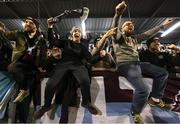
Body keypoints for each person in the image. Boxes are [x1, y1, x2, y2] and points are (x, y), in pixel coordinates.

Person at [101, 1, 173, 123]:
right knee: (143, 90)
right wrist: (118, 14)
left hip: (137, 63)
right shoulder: (118, 38)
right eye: (127, 24)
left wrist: (162, 25)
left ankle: (155, 99)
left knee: (163, 73)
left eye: (132, 25)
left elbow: (148, 33)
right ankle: (135, 112)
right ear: (122, 28)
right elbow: (114, 28)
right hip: (125, 65)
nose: (130, 26)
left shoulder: (135, 39)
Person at [34, 24, 107, 119]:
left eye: (79, 31)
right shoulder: (66, 42)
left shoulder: (83, 47)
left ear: (81, 35)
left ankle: (86, 102)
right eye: (75, 31)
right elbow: (53, 41)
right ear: (72, 34)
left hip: (78, 66)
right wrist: (50, 27)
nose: (77, 32)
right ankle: (47, 105)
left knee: (85, 81)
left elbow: (90, 59)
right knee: (50, 84)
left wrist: (100, 56)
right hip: (63, 65)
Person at [1, 17, 48, 122]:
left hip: (32, 70)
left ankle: (23, 120)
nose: (26, 24)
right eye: (26, 22)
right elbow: (5, 34)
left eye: (30, 23)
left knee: (25, 102)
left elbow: (44, 56)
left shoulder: (41, 40)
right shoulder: (19, 34)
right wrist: (1, 30)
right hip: (19, 66)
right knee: (12, 68)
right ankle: (24, 90)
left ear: (35, 26)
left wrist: (43, 67)